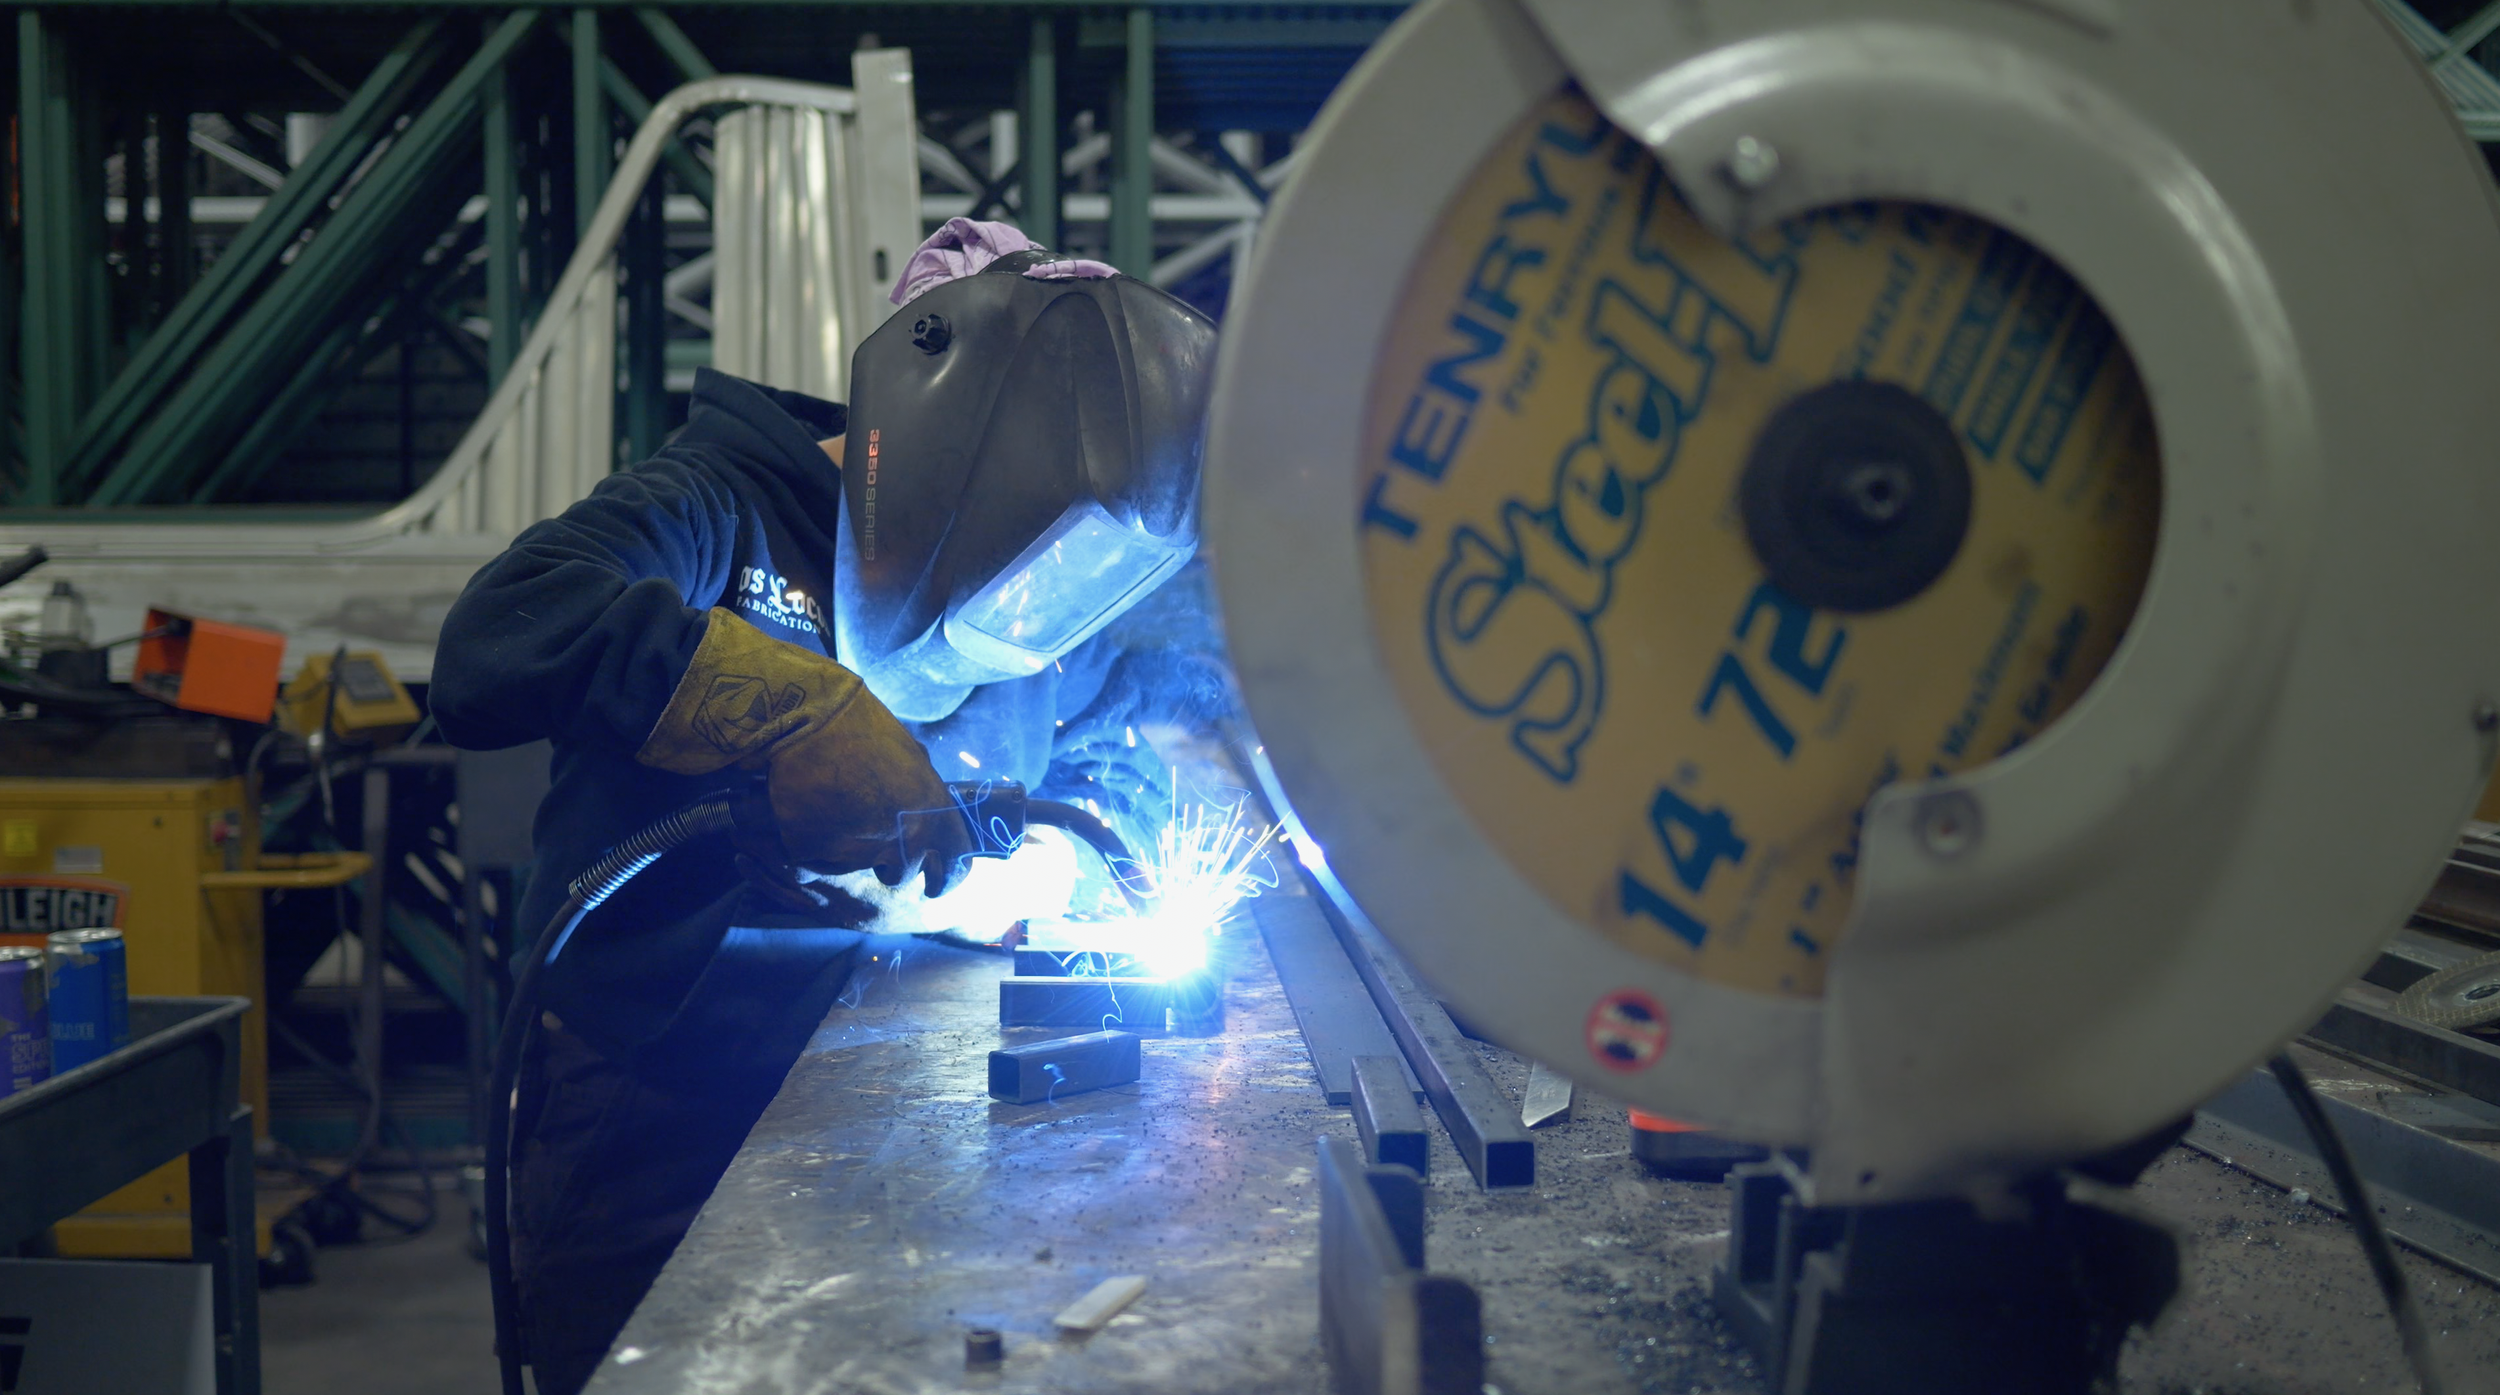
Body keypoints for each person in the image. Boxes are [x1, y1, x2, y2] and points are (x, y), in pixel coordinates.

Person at [429, 219, 1223, 1395]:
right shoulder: (718, 506)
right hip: (657, 1101)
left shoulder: (1048, 577)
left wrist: (1045, 872)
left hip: (899, 1093)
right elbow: (498, 638)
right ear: (953, 458)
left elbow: (1107, 750)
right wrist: (776, 706)